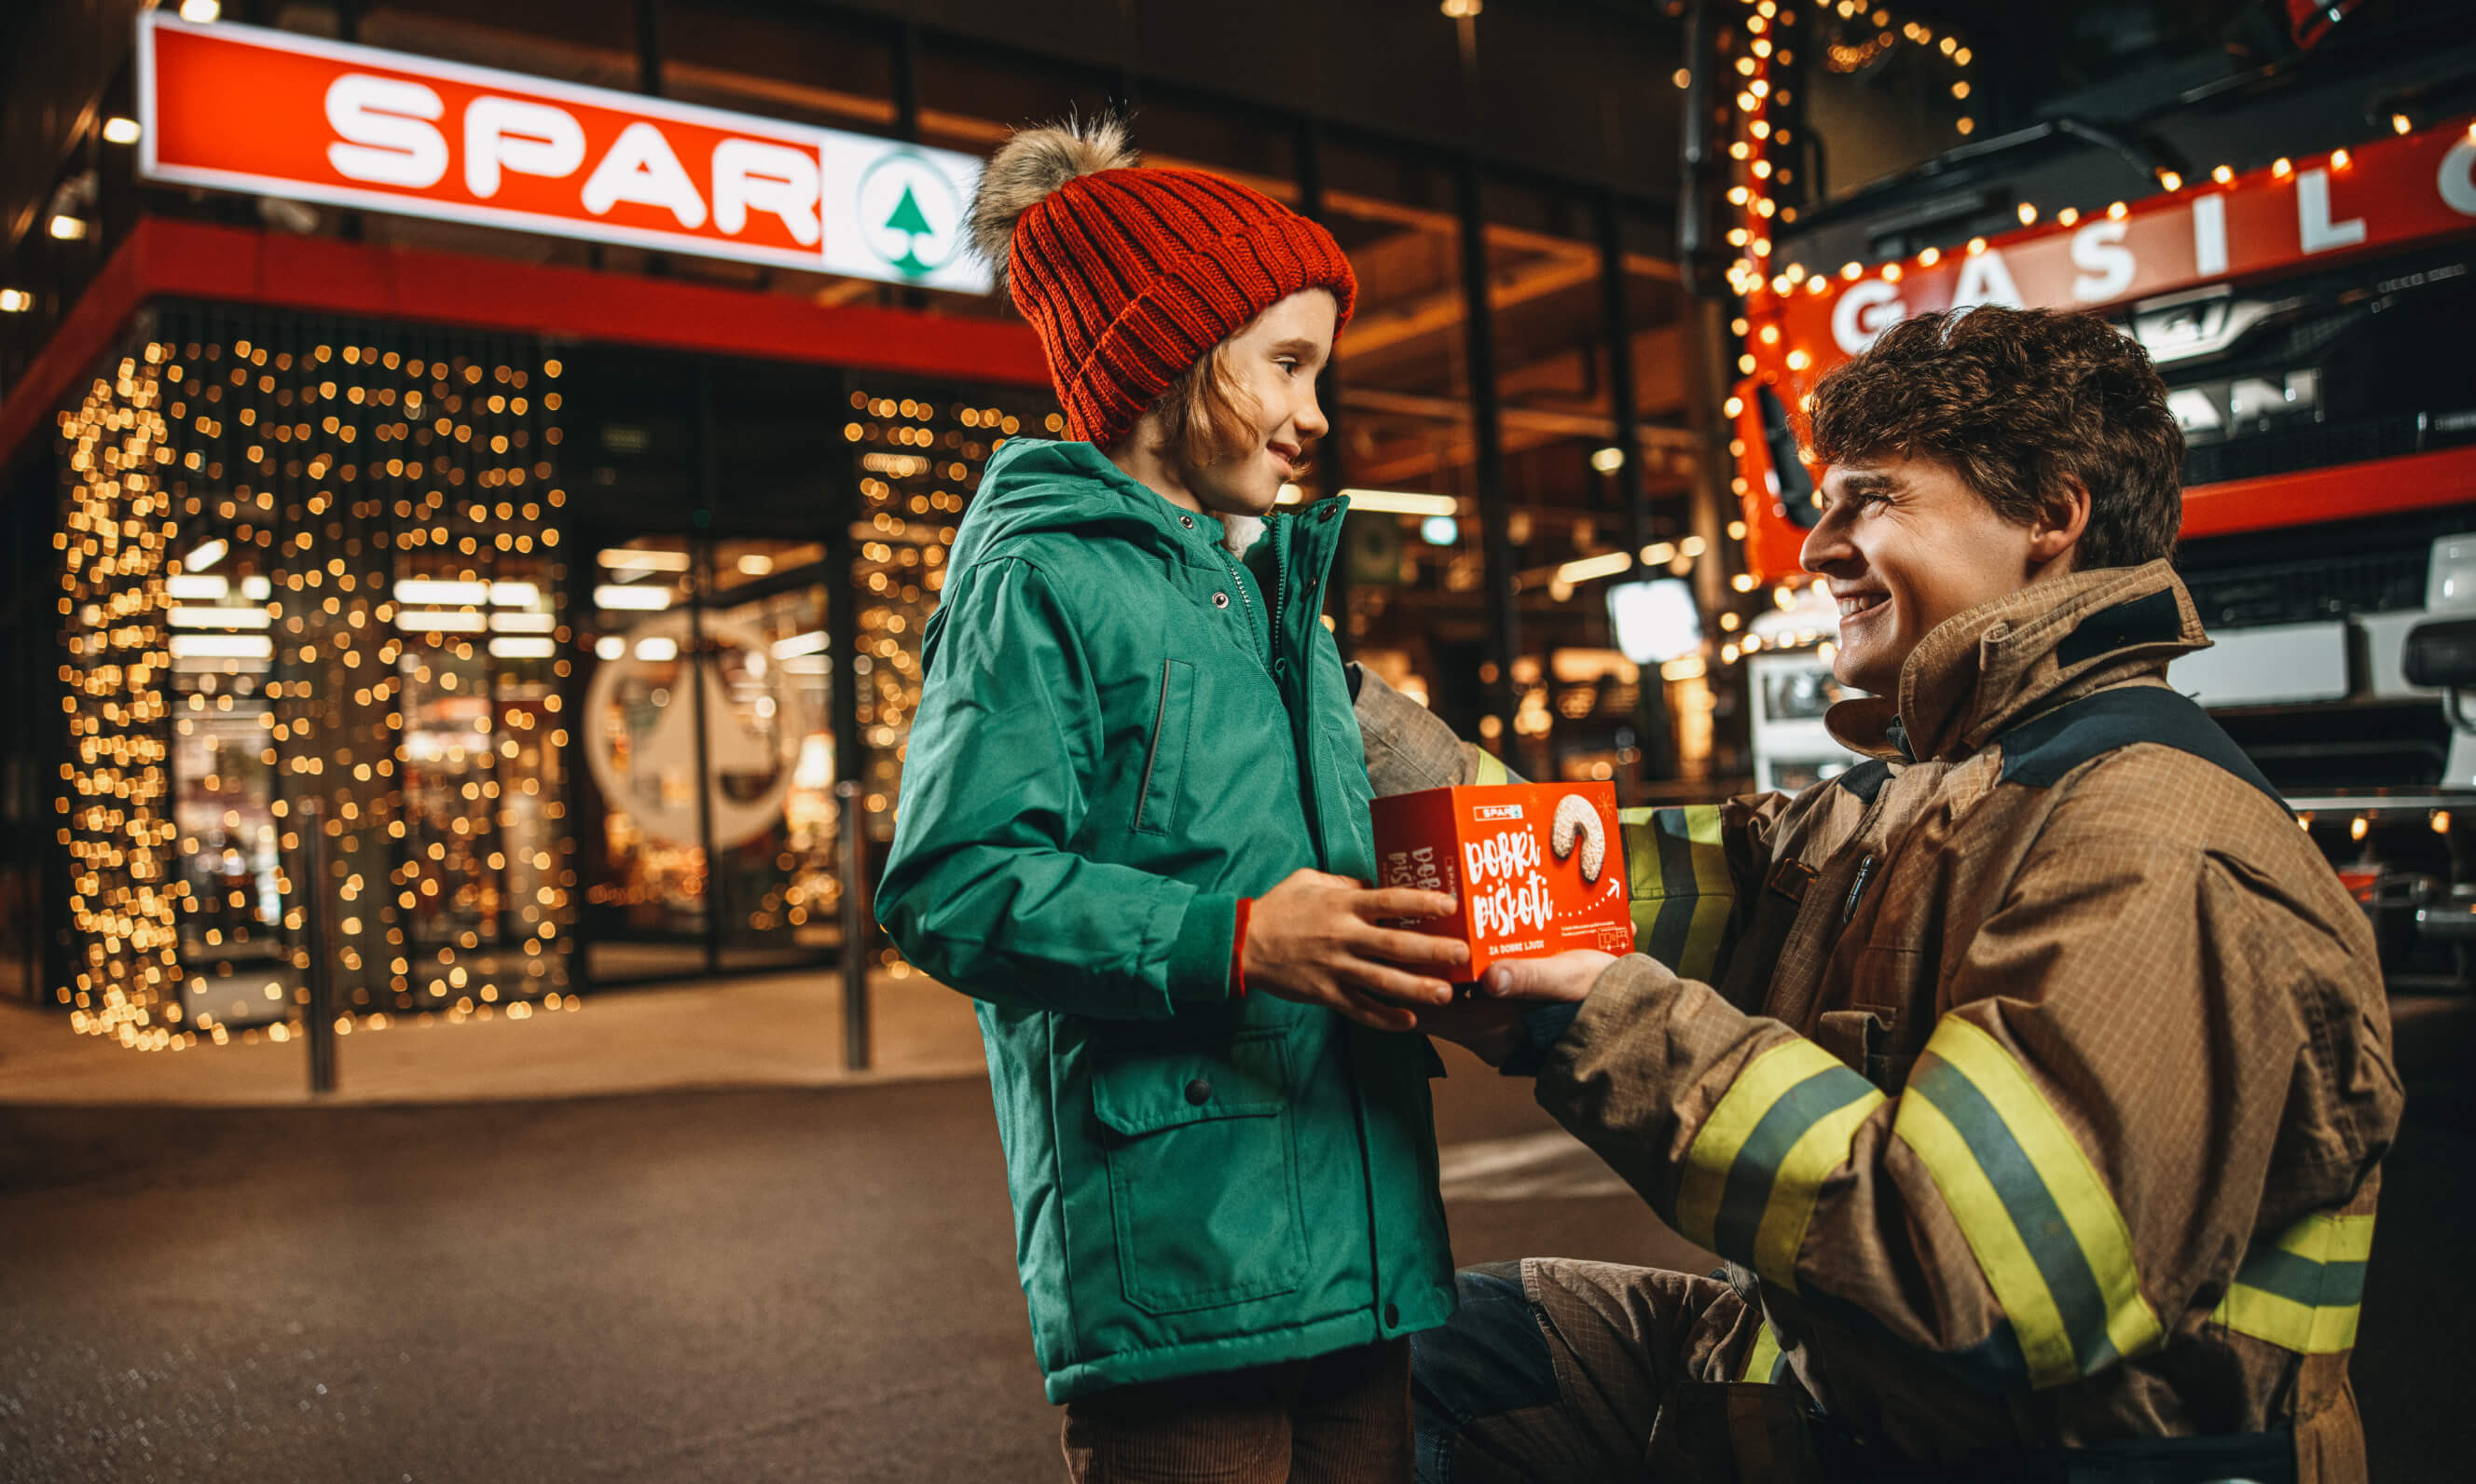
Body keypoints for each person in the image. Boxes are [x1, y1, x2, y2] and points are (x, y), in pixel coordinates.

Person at [1350, 307, 2400, 1483]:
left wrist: (1584, 1012)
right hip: (1845, 1396)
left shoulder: (2152, 844)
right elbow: (1573, 876)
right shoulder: (1915, 799)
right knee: (1429, 1350)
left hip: (2031, 1452)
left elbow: (1979, 1268)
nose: (1814, 544)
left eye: (1873, 498)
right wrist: (1328, 705)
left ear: (2050, 516)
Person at [876, 117, 1468, 1483]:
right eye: (1289, 364)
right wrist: (1244, 941)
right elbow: (950, 886)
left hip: (1361, 1249)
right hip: (1186, 1272)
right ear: (1170, 357)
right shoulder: (1041, 583)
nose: (1316, 414)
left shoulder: (1275, 598)